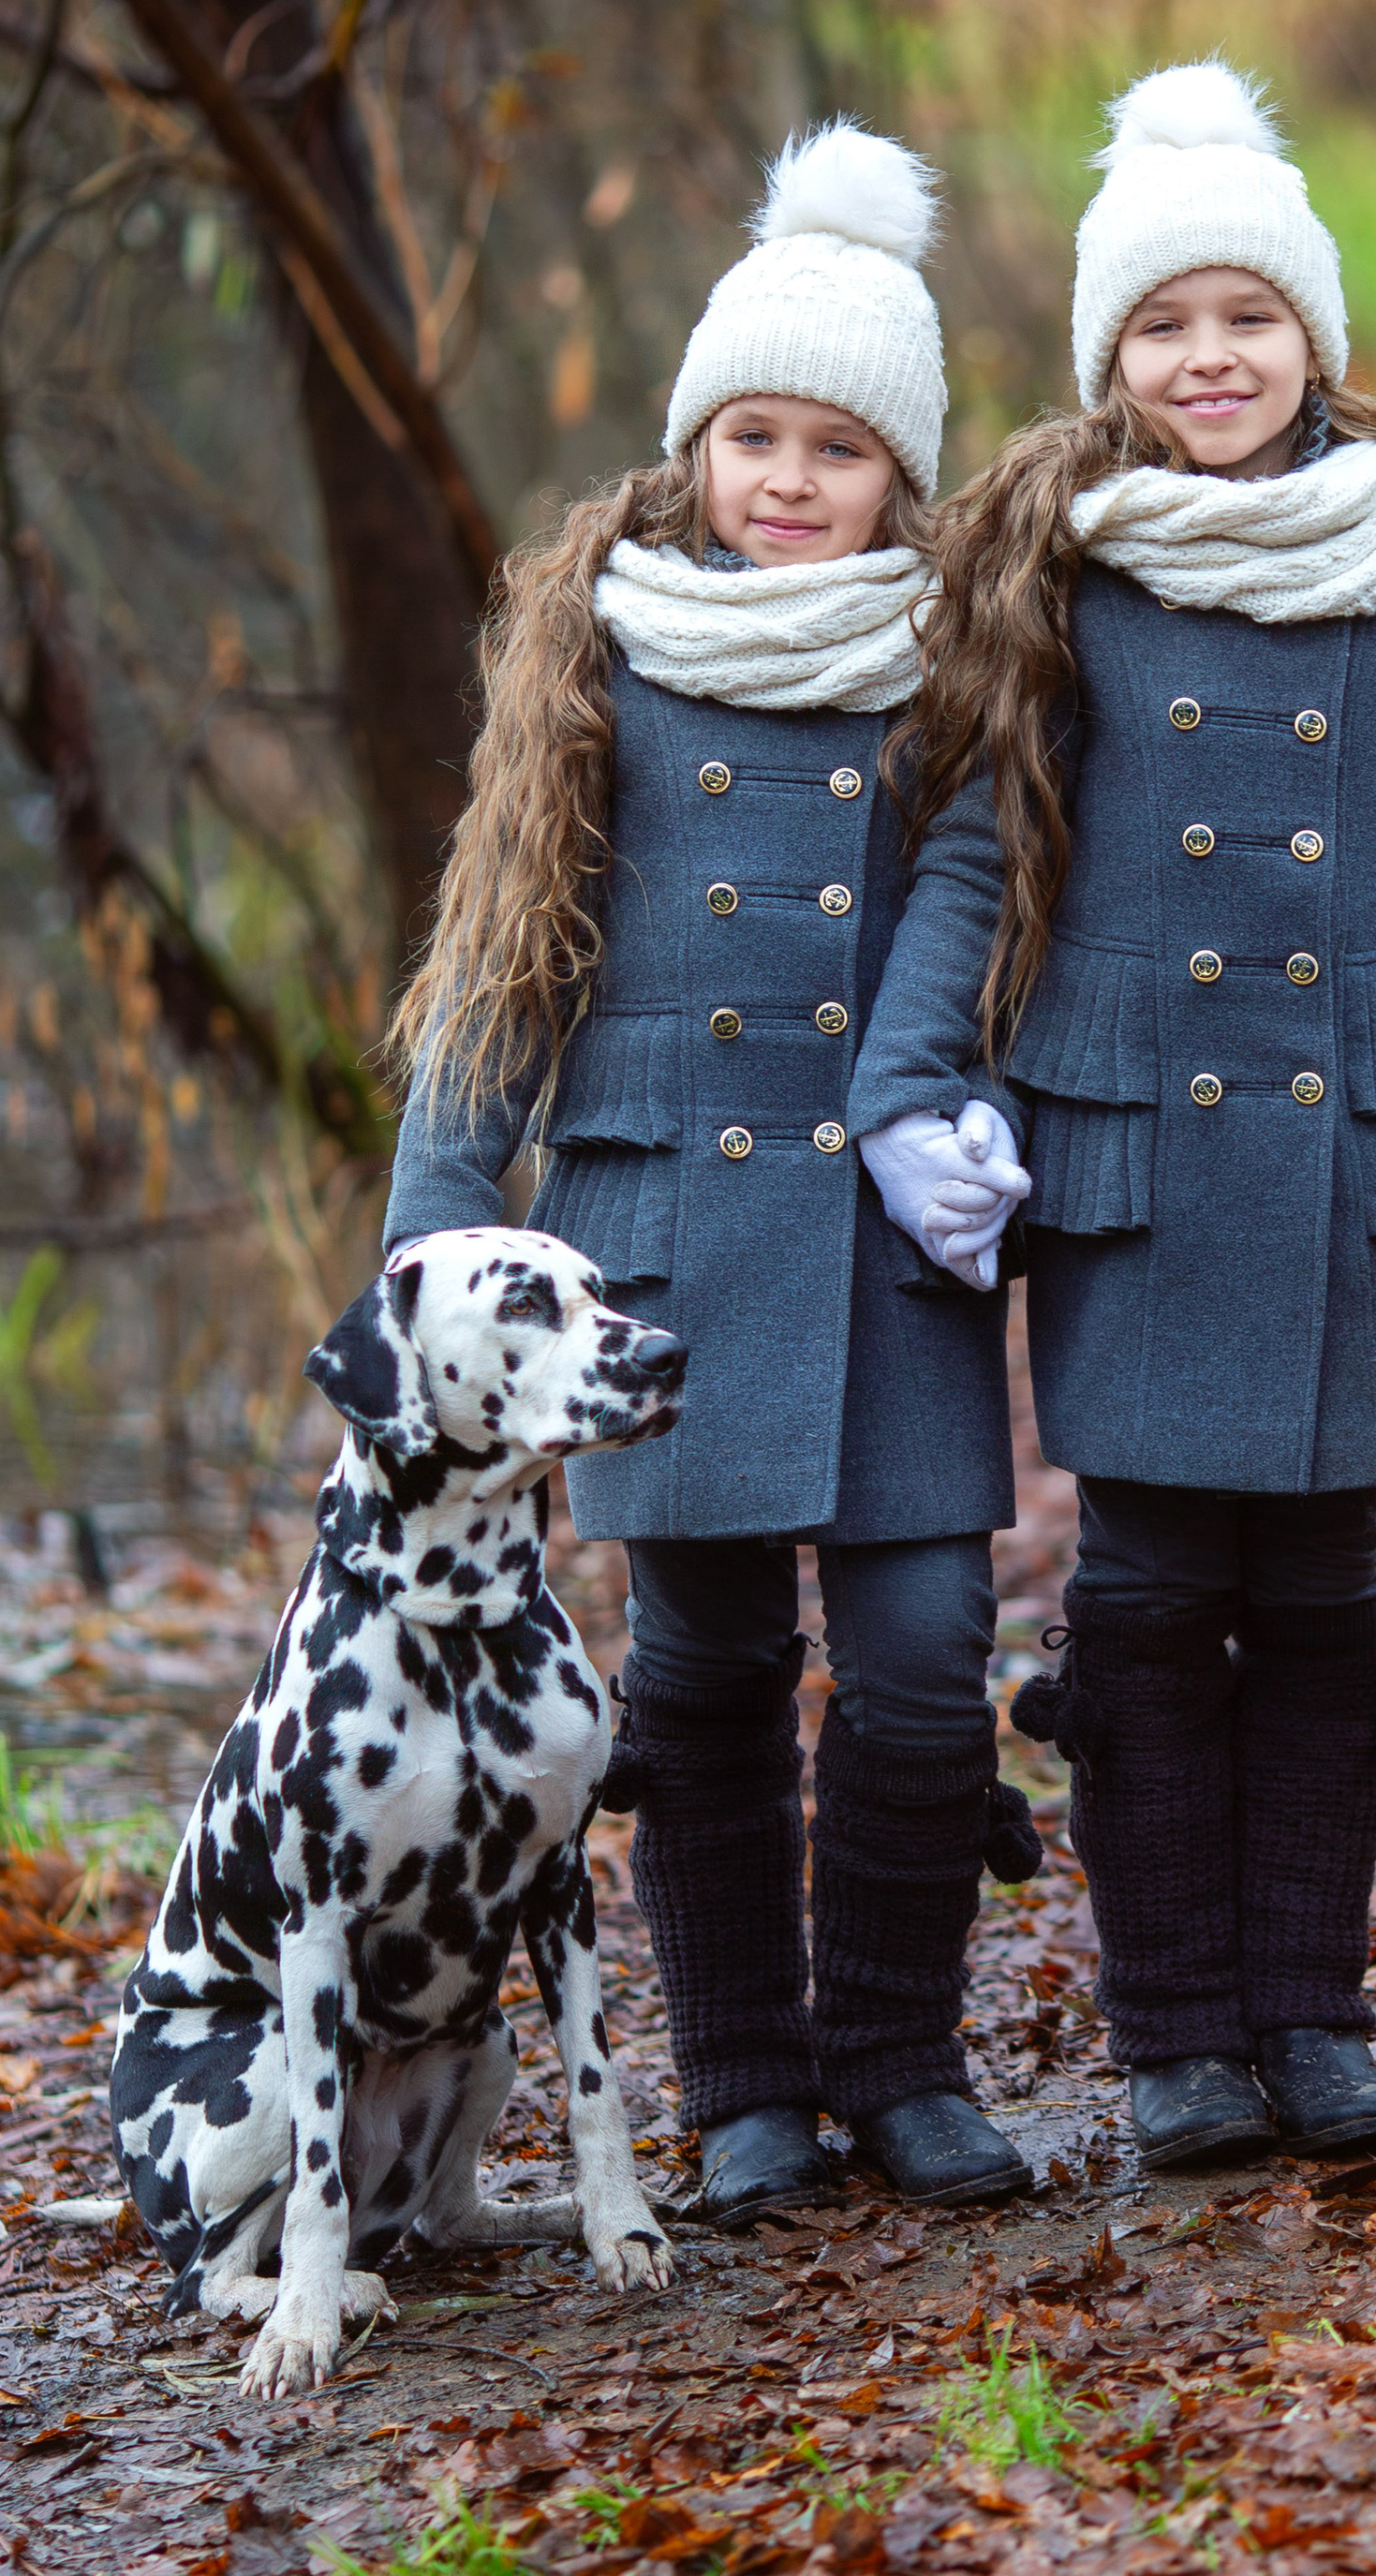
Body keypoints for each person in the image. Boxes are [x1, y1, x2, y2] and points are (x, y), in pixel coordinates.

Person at [889, 62, 1376, 2170]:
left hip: (1359, 1137)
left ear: (1314, 336)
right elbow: (980, 853)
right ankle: (1177, 2033)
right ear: (1110, 353)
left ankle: (1318, 2010)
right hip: (1132, 1142)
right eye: (1164, 324)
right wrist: (919, 1087)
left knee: (1327, 1589)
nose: (1209, 358)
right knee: (1145, 1585)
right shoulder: (1050, 553)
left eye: (1247, 317)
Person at [385, 124, 1039, 2228]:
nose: (785, 479)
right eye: (751, 435)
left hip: (873, 1238)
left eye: (835, 450)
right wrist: (431, 1240)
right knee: (704, 1674)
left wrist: (936, 1099)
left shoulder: (950, 668)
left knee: (929, 1657)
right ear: (693, 444)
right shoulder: (601, 648)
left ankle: (900, 2054)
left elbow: (974, 895)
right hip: (654, 1240)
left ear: (896, 480)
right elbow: (506, 969)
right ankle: (749, 2084)